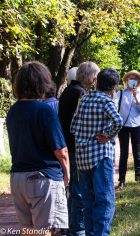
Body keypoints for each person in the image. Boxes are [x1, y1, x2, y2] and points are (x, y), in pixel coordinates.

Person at [6, 61, 70, 234]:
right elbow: (61, 150)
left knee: (29, 231)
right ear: (42, 83)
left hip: (18, 179)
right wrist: (67, 174)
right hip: (42, 179)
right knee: (46, 231)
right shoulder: (44, 110)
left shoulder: (13, 111)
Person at [71, 68, 123, 236]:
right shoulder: (106, 101)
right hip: (101, 156)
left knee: (88, 202)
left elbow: (73, 126)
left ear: (97, 81)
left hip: (82, 158)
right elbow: (118, 121)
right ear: (114, 86)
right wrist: (107, 136)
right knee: (105, 201)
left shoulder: (84, 99)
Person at [59, 62, 99, 236]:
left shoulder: (67, 92)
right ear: (90, 77)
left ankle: (69, 225)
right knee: (79, 191)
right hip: (76, 148)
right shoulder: (80, 94)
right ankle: (77, 229)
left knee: (72, 189)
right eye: (95, 76)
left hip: (68, 145)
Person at [116, 70, 140, 189]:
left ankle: (139, 178)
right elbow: (114, 106)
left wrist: (137, 98)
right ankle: (121, 180)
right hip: (123, 126)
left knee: (137, 153)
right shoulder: (121, 93)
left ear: (138, 81)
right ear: (126, 80)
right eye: (130, 78)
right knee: (124, 153)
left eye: (134, 78)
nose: (132, 80)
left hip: (136, 126)